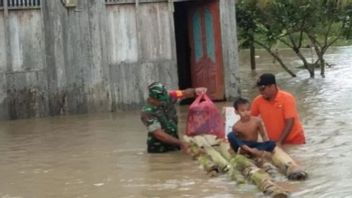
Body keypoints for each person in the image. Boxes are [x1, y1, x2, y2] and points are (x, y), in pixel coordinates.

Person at [140, 82, 207, 153]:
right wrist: (181, 143)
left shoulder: (169, 96)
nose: (164, 102)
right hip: (158, 150)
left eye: (165, 99)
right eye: (161, 101)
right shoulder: (147, 112)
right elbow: (159, 134)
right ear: (152, 99)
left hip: (175, 145)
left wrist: (195, 90)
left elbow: (184, 93)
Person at [251, 73, 306, 146]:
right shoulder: (258, 101)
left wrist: (280, 142)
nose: (261, 92)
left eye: (262, 89)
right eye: (259, 89)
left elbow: (290, 122)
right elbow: (250, 119)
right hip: (274, 141)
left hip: (294, 140)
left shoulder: (287, 98)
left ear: (272, 86)